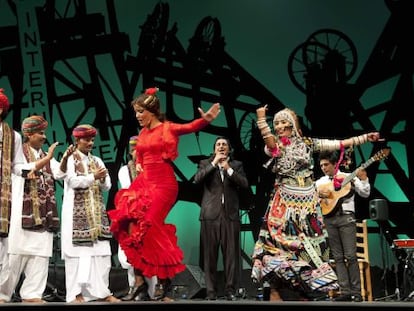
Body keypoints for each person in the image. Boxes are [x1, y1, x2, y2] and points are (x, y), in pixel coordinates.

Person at [251, 105, 381, 301]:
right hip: (284, 204)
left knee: (308, 247)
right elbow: (270, 144)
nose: (278, 126)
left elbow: (338, 144)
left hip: (307, 205)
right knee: (280, 245)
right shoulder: (277, 145)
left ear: (292, 124)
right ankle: (277, 287)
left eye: (282, 122)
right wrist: (261, 120)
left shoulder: (308, 143)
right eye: (275, 123)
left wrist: (365, 138)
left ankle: (306, 289)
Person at [108, 87, 221, 302]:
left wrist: (204, 120)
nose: (138, 116)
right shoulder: (142, 133)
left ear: (152, 111)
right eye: (136, 113)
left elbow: (189, 127)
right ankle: (141, 283)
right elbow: (140, 155)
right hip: (145, 182)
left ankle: (164, 280)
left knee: (150, 224)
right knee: (131, 225)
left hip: (164, 184)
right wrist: (140, 165)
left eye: (141, 112)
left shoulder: (167, 128)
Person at [0, 115, 71, 303]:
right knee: (14, 256)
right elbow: (23, 169)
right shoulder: (19, 152)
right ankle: (2, 294)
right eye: (40, 132)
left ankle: (32, 294)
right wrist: (47, 158)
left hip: (43, 215)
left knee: (40, 256)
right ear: (29, 135)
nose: (44, 136)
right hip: (21, 213)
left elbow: (59, 173)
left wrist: (63, 159)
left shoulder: (44, 156)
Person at [59, 124, 119, 303]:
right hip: (76, 216)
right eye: (87, 139)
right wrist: (94, 176)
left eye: (92, 139)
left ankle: (103, 292)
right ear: (77, 140)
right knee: (78, 256)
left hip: (96, 214)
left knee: (102, 254)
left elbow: (107, 185)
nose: (90, 143)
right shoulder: (70, 159)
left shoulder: (97, 160)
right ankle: (76, 293)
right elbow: (73, 181)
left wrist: (100, 178)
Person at [194, 136, 249, 301]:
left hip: (230, 215)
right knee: (209, 256)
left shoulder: (237, 165)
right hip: (210, 215)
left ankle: (230, 290)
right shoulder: (205, 163)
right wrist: (214, 163)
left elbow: (245, 184)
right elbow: (197, 179)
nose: (221, 146)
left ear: (229, 148)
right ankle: (211, 292)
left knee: (231, 256)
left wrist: (228, 169)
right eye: (218, 144)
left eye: (224, 144)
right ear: (214, 149)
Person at [315, 150, 371, 302]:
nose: (323, 168)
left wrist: (364, 178)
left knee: (351, 256)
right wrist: (320, 196)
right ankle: (345, 292)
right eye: (321, 165)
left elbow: (365, 193)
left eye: (326, 164)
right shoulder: (320, 183)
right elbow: (312, 200)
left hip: (346, 218)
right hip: (329, 219)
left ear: (335, 164)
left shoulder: (348, 177)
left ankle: (357, 293)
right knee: (338, 257)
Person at [117, 135, 157, 301]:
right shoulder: (125, 170)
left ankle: (154, 292)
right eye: (135, 150)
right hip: (133, 215)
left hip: (151, 215)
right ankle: (135, 288)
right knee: (132, 254)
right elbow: (130, 190)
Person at [0, 89, 31, 303]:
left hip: (3, 195)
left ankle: (1, 293)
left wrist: (30, 168)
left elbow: (18, 164)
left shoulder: (14, 136)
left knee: (3, 246)